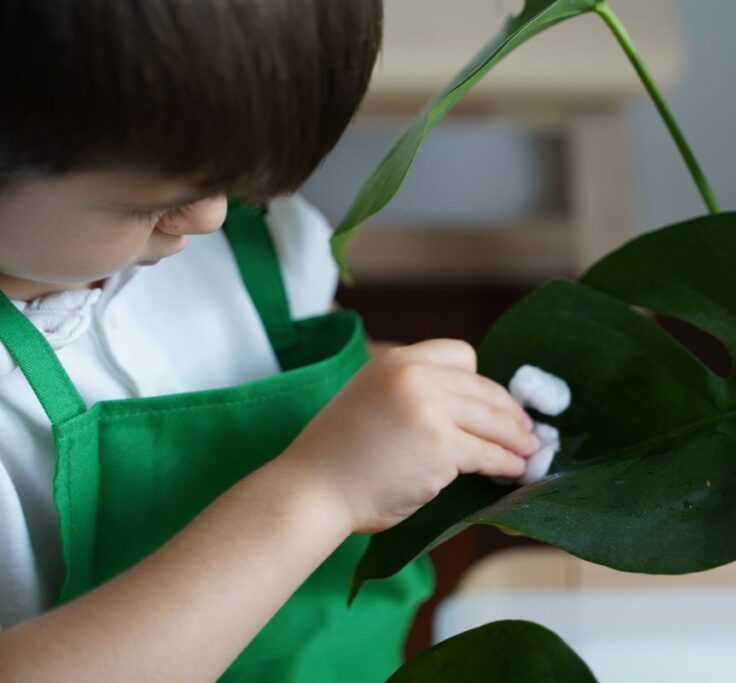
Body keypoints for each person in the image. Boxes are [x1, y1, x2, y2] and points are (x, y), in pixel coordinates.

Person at [0, 1, 540, 680]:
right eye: (148, 204)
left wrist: (426, 413)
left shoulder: (245, 247)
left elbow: (290, 378)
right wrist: (321, 492)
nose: (210, 215)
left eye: (230, 180)